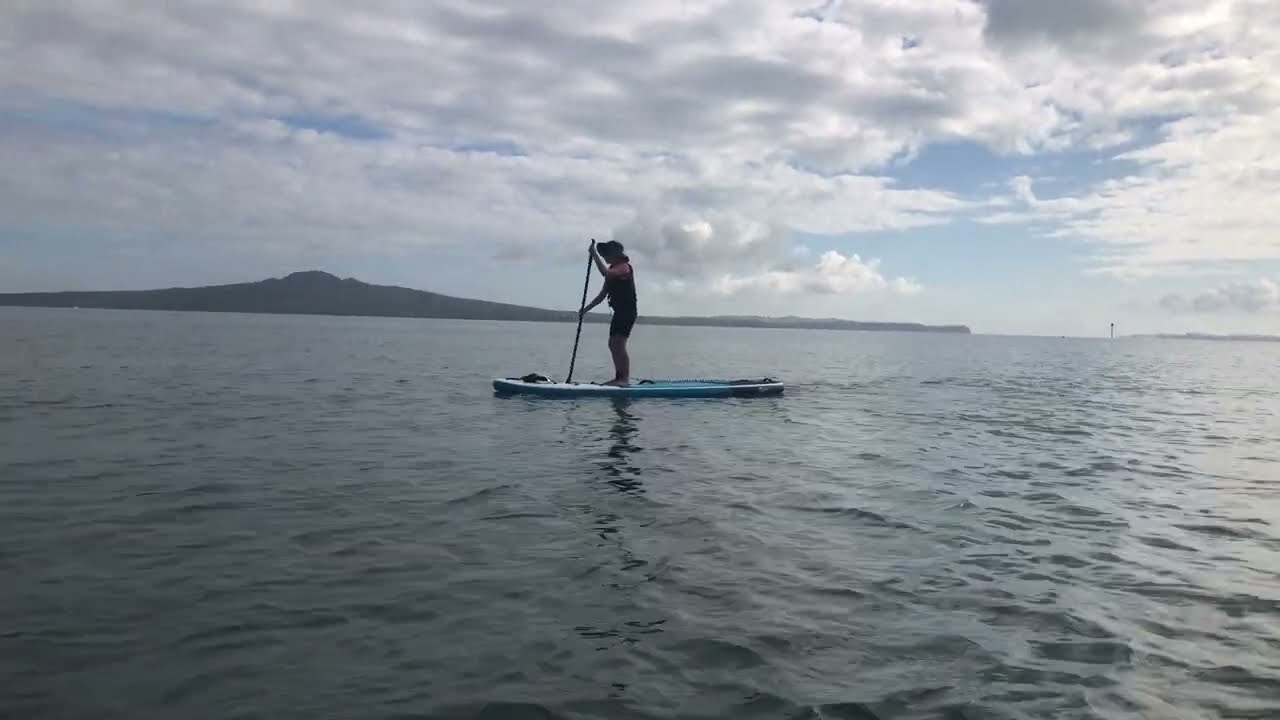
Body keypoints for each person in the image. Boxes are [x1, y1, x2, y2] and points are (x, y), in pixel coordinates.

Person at [580, 240, 636, 386]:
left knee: (618, 343)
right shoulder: (613, 270)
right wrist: (585, 310)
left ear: (616, 254)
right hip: (619, 311)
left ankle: (623, 379)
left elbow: (604, 272)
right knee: (613, 343)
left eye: (606, 255)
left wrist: (593, 255)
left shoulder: (624, 268)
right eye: (602, 255)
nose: (605, 258)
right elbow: (602, 295)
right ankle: (619, 378)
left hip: (627, 311)